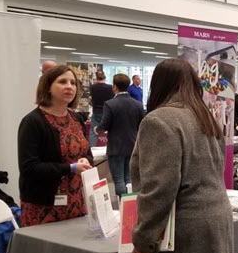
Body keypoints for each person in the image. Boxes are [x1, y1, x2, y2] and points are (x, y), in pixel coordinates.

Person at [130, 59, 233, 253]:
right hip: (209, 221)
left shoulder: (159, 120)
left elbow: (159, 189)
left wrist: (144, 240)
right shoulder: (205, 117)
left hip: (182, 228)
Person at [18, 65, 93, 227]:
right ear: (48, 87)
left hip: (77, 202)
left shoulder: (76, 118)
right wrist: (70, 168)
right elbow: (29, 168)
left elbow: (88, 153)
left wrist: (85, 161)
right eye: (62, 82)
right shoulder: (33, 122)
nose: (69, 87)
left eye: (73, 83)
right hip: (44, 206)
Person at [95, 74, 145, 197]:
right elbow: (142, 125)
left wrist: (97, 129)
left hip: (116, 147)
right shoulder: (138, 105)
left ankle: (122, 206)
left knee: (118, 180)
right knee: (129, 179)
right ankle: (130, 208)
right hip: (132, 146)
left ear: (114, 87)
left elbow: (105, 125)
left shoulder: (110, 104)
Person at [88, 70, 114, 147]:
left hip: (96, 112)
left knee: (93, 132)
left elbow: (90, 99)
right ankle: (111, 148)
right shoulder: (110, 87)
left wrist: (94, 105)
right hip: (107, 112)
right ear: (105, 77)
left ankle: (92, 149)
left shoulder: (93, 87)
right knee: (111, 131)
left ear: (96, 77)